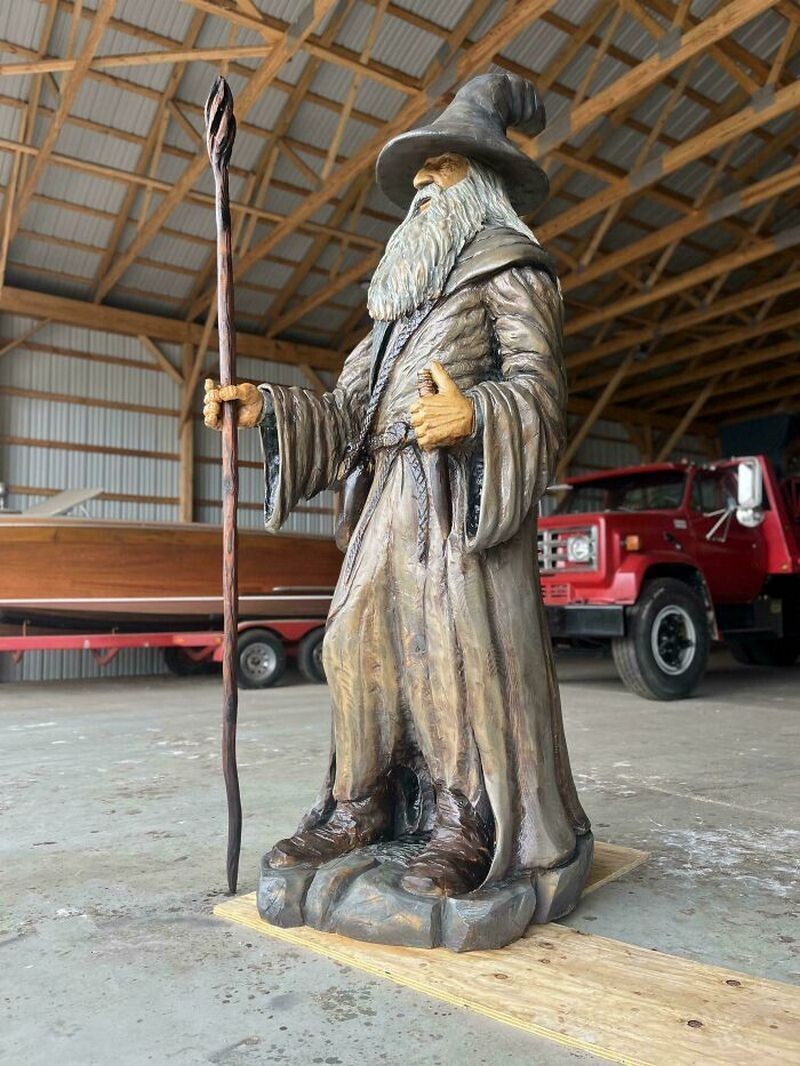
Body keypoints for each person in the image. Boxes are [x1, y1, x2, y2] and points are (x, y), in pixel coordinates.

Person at [204, 72, 589, 902]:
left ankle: (463, 818)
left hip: (454, 505)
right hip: (387, 496)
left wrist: (476, 414)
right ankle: (360, 805)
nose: (419, 185)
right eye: (418, 174)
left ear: (479, 183)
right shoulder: (393, 312)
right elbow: (348, 414)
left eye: (438, 169)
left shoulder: (512, 269)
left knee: (447, 657)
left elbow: (542, 390)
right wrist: (264, 407)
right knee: (354, 644)